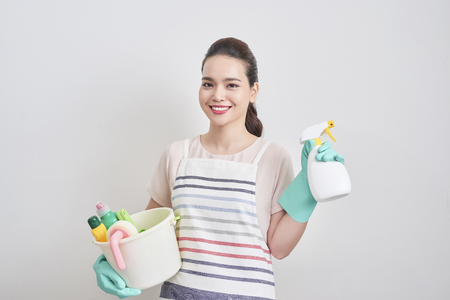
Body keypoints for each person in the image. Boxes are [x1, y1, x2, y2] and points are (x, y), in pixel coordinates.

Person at [93, 37, 344, 299]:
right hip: (180, 293)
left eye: (231, 85)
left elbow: (279, 247)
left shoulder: (272, 156)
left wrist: (309, 186)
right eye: (208, 84)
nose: (217, 95)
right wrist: (111, 259)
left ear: (253, 91)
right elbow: (145, 236)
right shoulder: (178, 154)